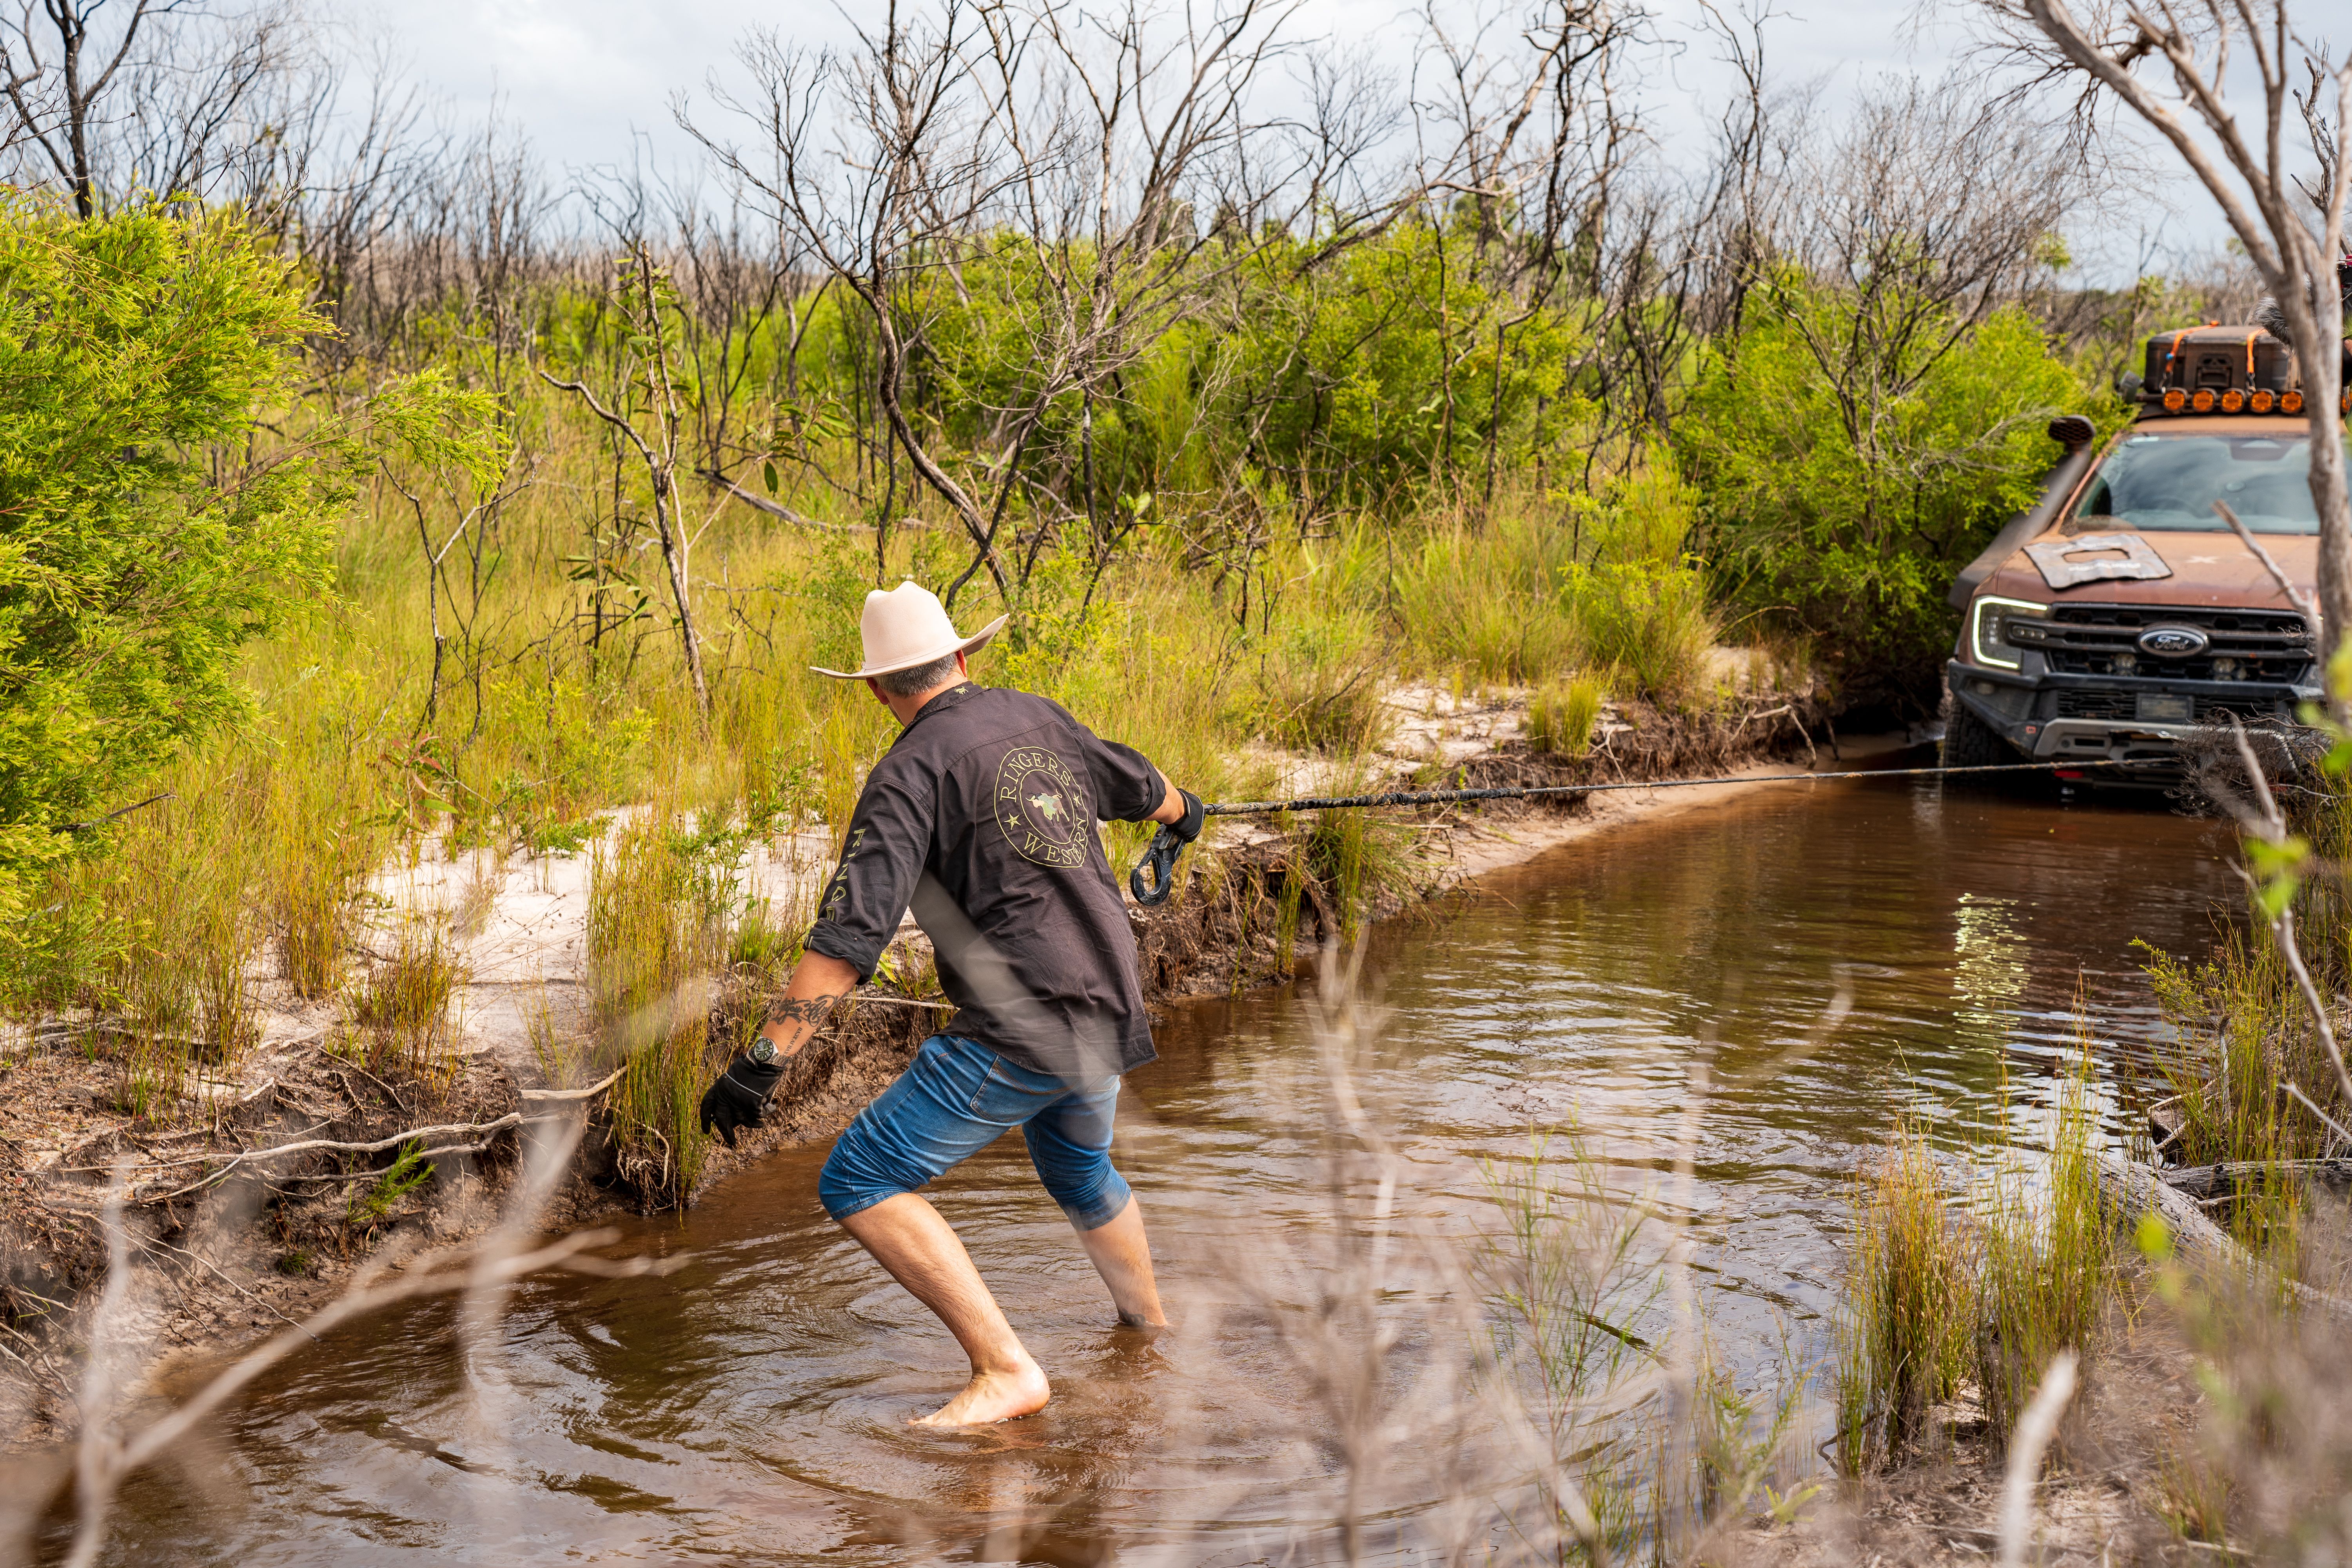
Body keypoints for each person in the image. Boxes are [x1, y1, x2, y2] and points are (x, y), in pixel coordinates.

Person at [697, 580, 1204, 1427]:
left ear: (875, 689)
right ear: (964, 656)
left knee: (860, 1175)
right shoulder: (1039, 715)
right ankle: (1148, 1334)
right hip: (1112, 999)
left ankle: (1006, 1368)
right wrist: (1186, 815)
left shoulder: (907, 771)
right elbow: (1142, 784)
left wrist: (763, 1061)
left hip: (1028, 1020)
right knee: (1079, 1168)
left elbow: (850, 936)